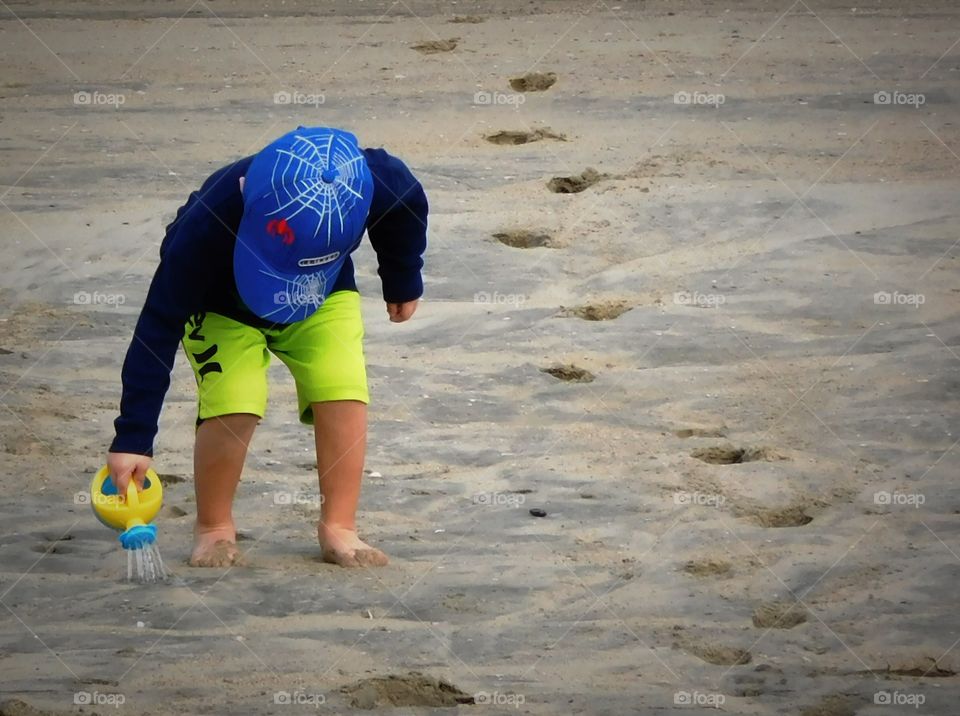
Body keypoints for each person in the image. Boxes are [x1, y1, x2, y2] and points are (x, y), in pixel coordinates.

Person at [106, 126, 427, 568]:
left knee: (342, 387)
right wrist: (133, 437)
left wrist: (402, 276)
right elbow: (155, 330)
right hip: (223, 306)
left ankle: (340, 525)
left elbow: (406, 203)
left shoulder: (369, 178)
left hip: (321, 292)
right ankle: (214, 527)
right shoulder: (204, 228)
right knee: (236, 401)